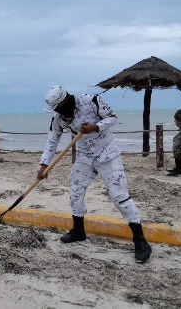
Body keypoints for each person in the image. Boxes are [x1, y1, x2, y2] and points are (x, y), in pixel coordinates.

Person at [37, 85, 151, 263]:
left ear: (65, 100)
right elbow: (52, 140)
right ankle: (78, 231)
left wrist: (96, 127)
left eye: (58, 107)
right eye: (55, 109)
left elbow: (113, 118)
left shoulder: (92, 101)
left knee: (119, 195)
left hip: (108, 155)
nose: (57, 111)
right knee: (75, 191)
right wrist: (44, 165)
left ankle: (141, 242)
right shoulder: (59, 118)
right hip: (85, 158)